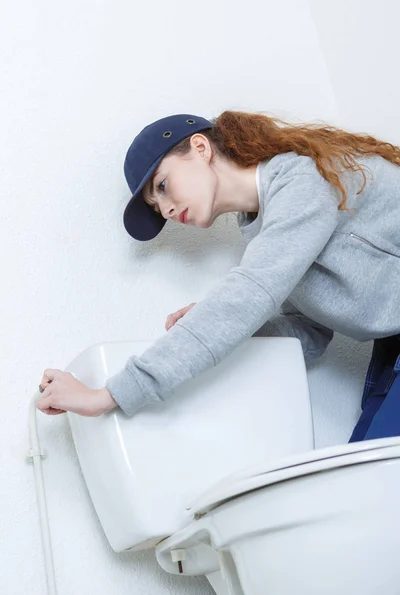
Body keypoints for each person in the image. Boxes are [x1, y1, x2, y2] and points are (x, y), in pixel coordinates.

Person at [37, 111, 400, 442]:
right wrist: (240, 324)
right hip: (391, 344)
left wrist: (107, 395)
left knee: (379, 479)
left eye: (162, 186)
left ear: (200, 148)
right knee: (364, 476)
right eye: (156, 208)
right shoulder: (266, 229)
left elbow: (250, 292)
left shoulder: (303, 178)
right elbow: (309, 333)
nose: (166, 209)